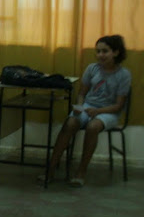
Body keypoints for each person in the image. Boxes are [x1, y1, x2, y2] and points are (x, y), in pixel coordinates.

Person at [41, 35, 131, 187]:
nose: (100, 55)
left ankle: (81, 172)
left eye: (105, 51)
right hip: (87, 107)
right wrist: (80, 106)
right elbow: (82, 93)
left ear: (116, 52)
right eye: (98, 51)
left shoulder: (124, 74)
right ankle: (50, 169)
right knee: (70, 123)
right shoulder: (92, 68)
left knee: (92, 127)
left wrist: (98, 111)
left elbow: (118, 106)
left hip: (108, 112)